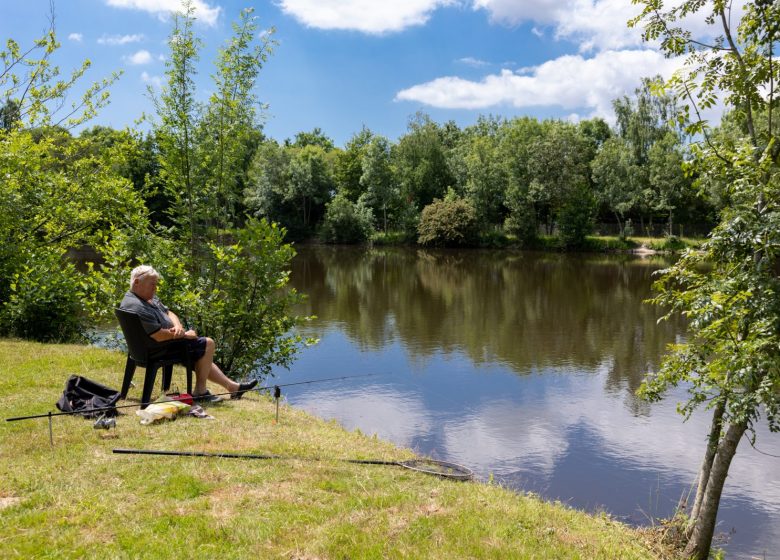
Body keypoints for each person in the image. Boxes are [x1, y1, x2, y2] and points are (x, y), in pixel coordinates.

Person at [119, 265, 258, 402]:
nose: (155, 288)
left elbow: (168, 312)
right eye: (152, 284)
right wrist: (184, 335)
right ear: (137, 282)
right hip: (159, 349)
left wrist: (178, 327)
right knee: (208, 344)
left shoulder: (144, 297)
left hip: (157, 345)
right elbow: (158, 335)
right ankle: (200, 392)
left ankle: (233, 387)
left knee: (201, 350)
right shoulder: (137, 306)